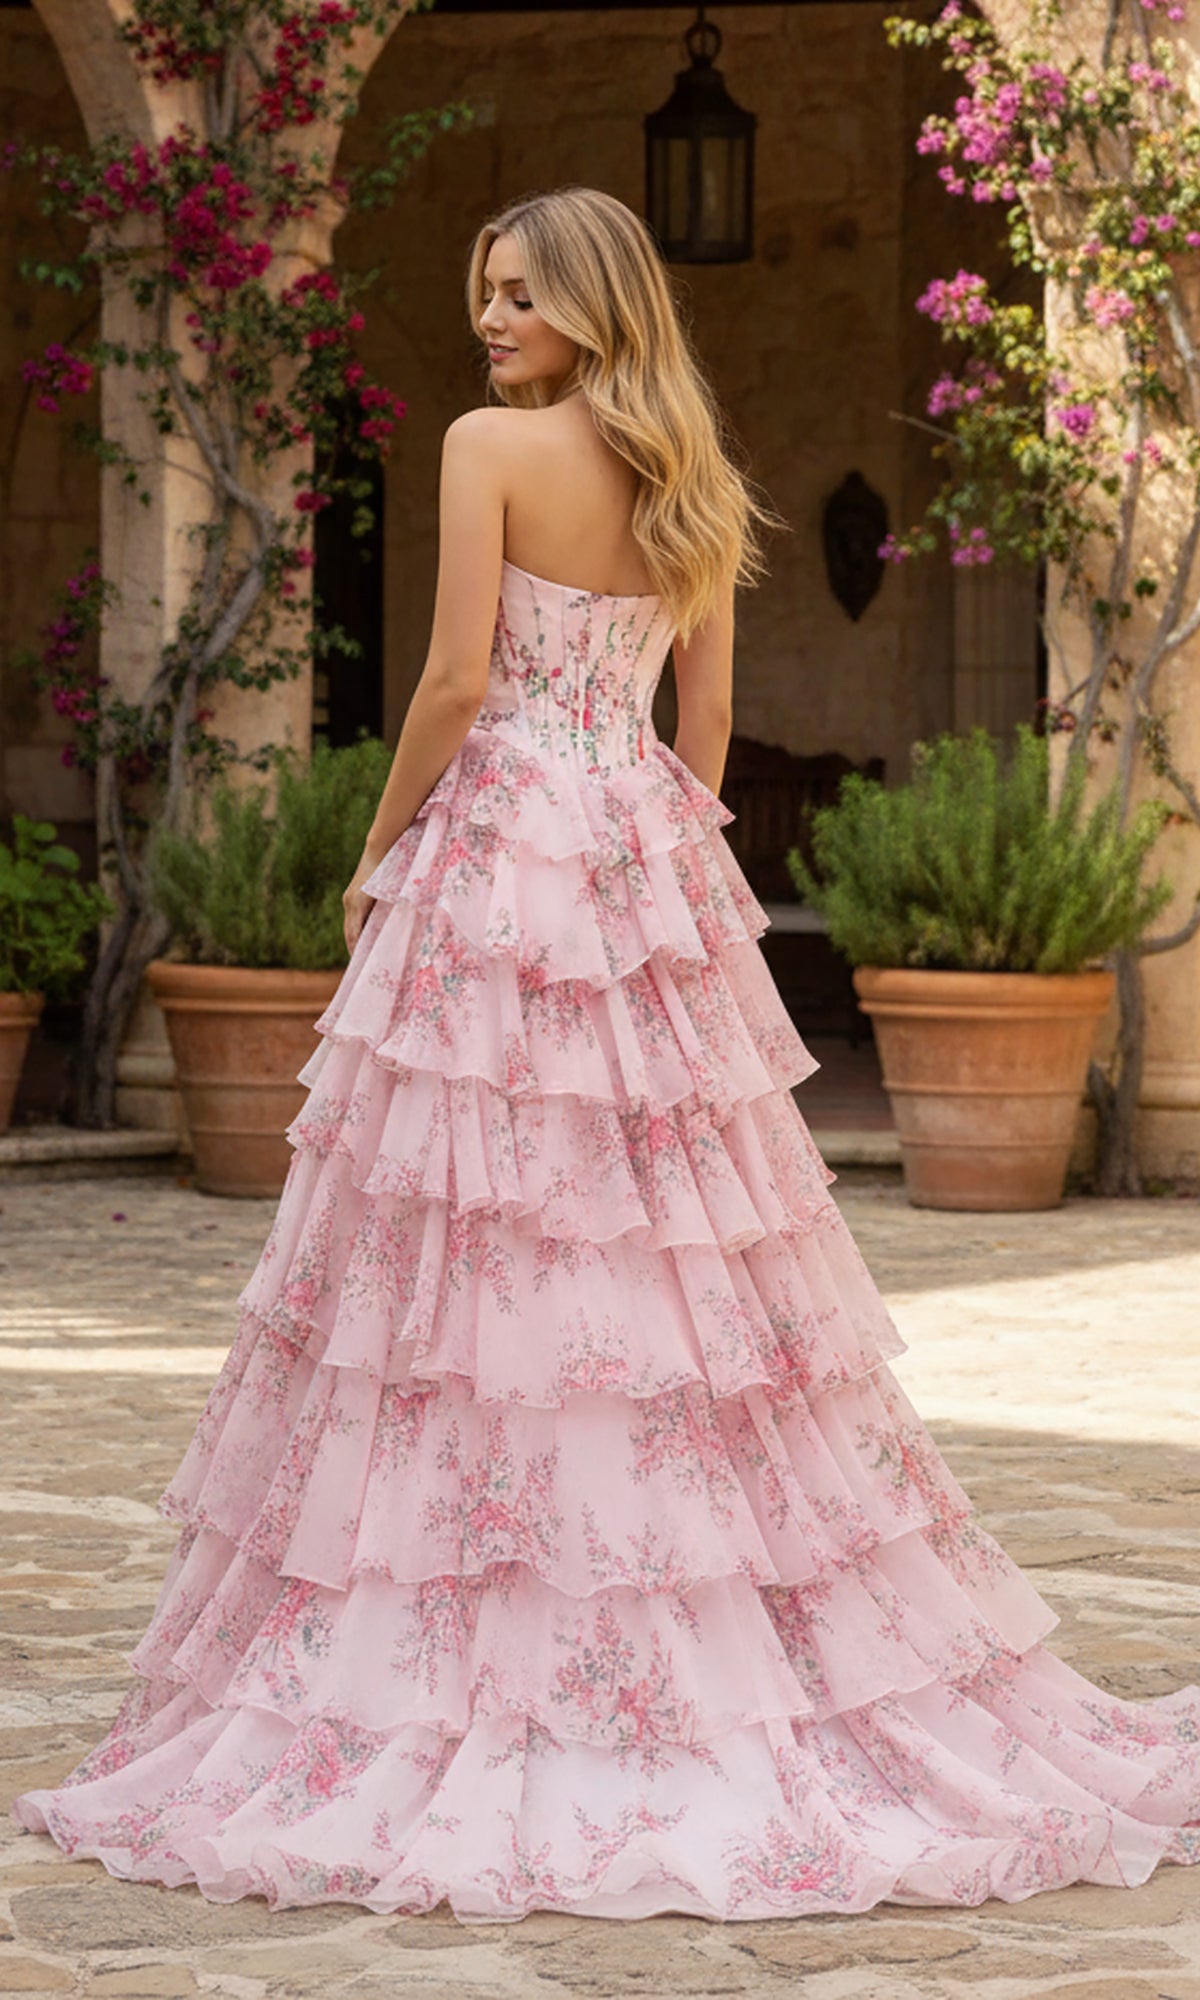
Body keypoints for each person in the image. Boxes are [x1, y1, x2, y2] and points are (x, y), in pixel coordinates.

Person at [13, 185, 1200, 1921]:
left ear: (589, 299)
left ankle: (468, 1601)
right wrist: (658, 870)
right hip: (638, 854)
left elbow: (451, 682)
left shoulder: (486, 446)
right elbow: (700, 731)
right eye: (484, 292)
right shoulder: (692, 472)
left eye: (516, 292)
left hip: (500, 850)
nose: (488, 319)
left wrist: (375, 852)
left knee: (468, 1222)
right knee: (663, 1232)